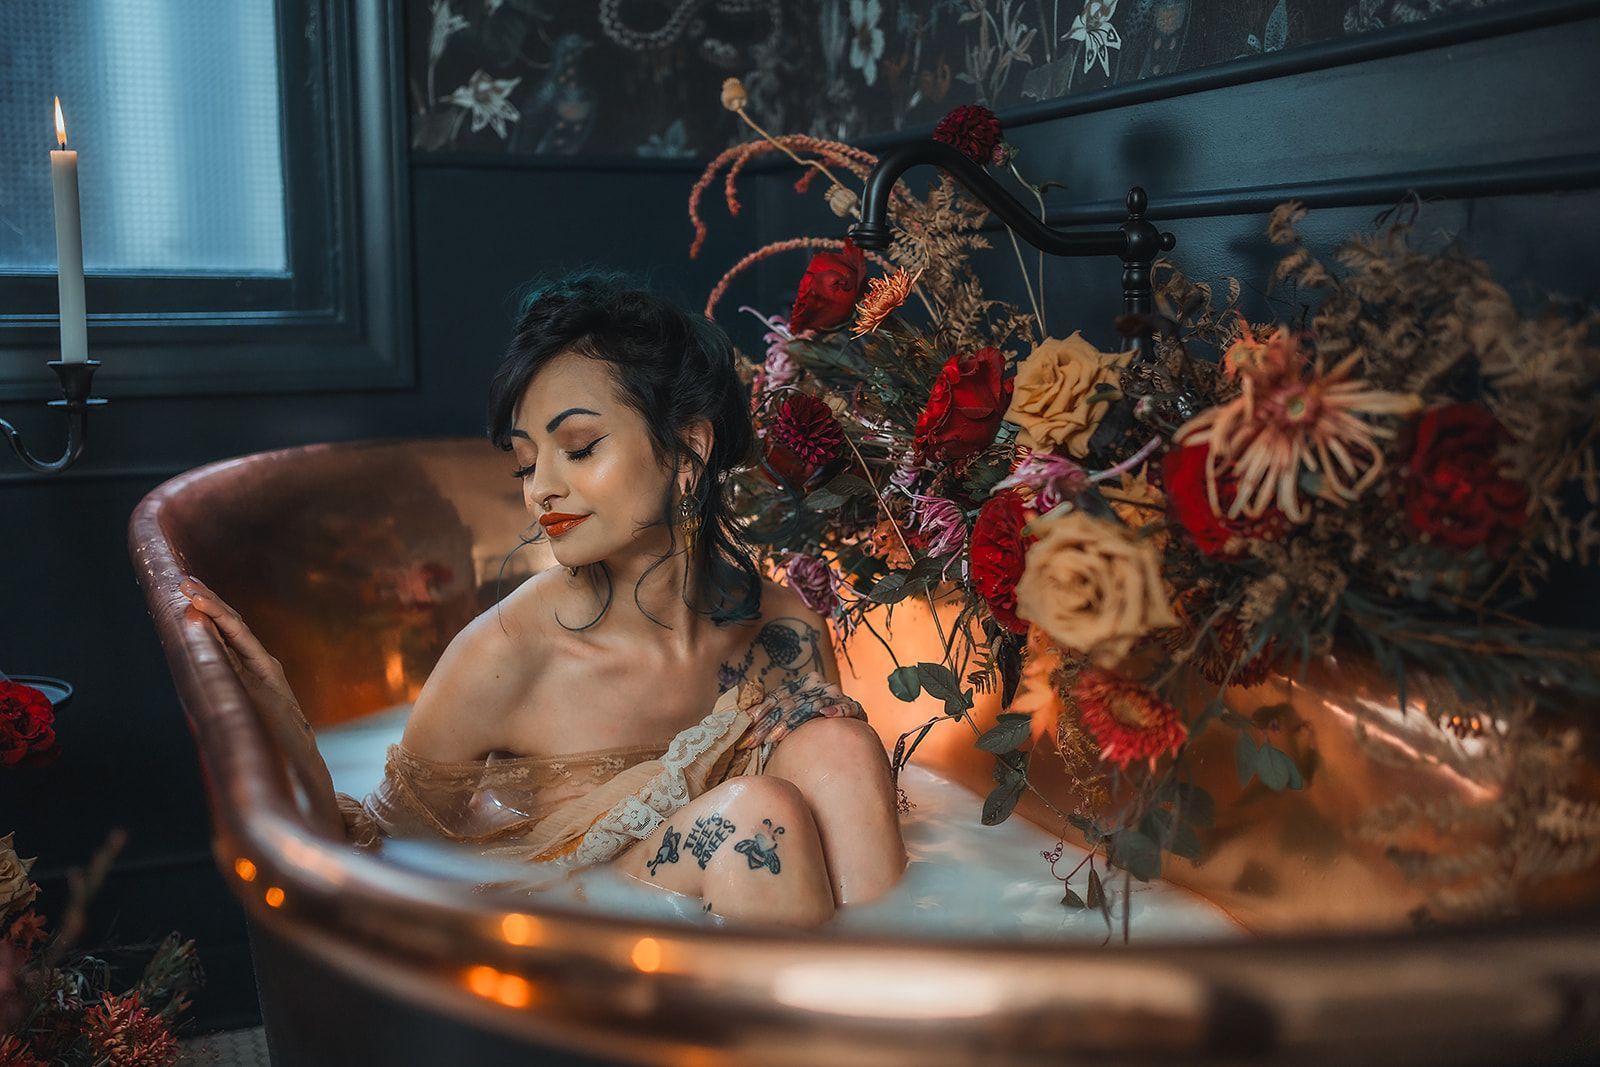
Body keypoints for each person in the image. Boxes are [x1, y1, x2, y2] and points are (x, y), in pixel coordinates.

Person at [180, 270, 907, 927]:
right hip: (594, 964)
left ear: (688, 450)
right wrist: (281, 714)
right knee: (755, 819)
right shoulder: (507, 654)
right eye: (527, 461)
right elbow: (376, 854)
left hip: (771, 947)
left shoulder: (784, 629)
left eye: (580, 446)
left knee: (840, 747)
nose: (542, 488)